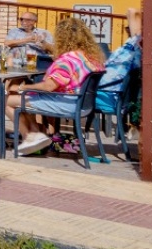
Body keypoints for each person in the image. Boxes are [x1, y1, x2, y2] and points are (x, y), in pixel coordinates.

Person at [10, 15, 107, 155]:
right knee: (26, 99)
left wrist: (21, 87)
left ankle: (30, 137)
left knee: (8, 100)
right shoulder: (91, 57)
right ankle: (38, 134)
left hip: (66, 102)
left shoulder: (67, 60)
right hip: (83, 104)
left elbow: (49, 87)